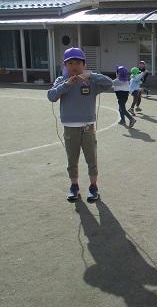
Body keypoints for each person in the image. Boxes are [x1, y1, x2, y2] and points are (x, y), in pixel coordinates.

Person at [47, 47, 113, 202]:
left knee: (91, 159)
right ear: (65, 65)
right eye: (70, 63)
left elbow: (109, 83)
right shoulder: (61, 80)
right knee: (72, 159)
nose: (74, 66)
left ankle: (93, 187)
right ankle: (74, 186)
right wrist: (67, 84)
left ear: (83, 64)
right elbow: (51, 96)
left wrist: (90, 75)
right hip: (70, 128)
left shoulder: (91, 81)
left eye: (77, 62)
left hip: (88, 128)